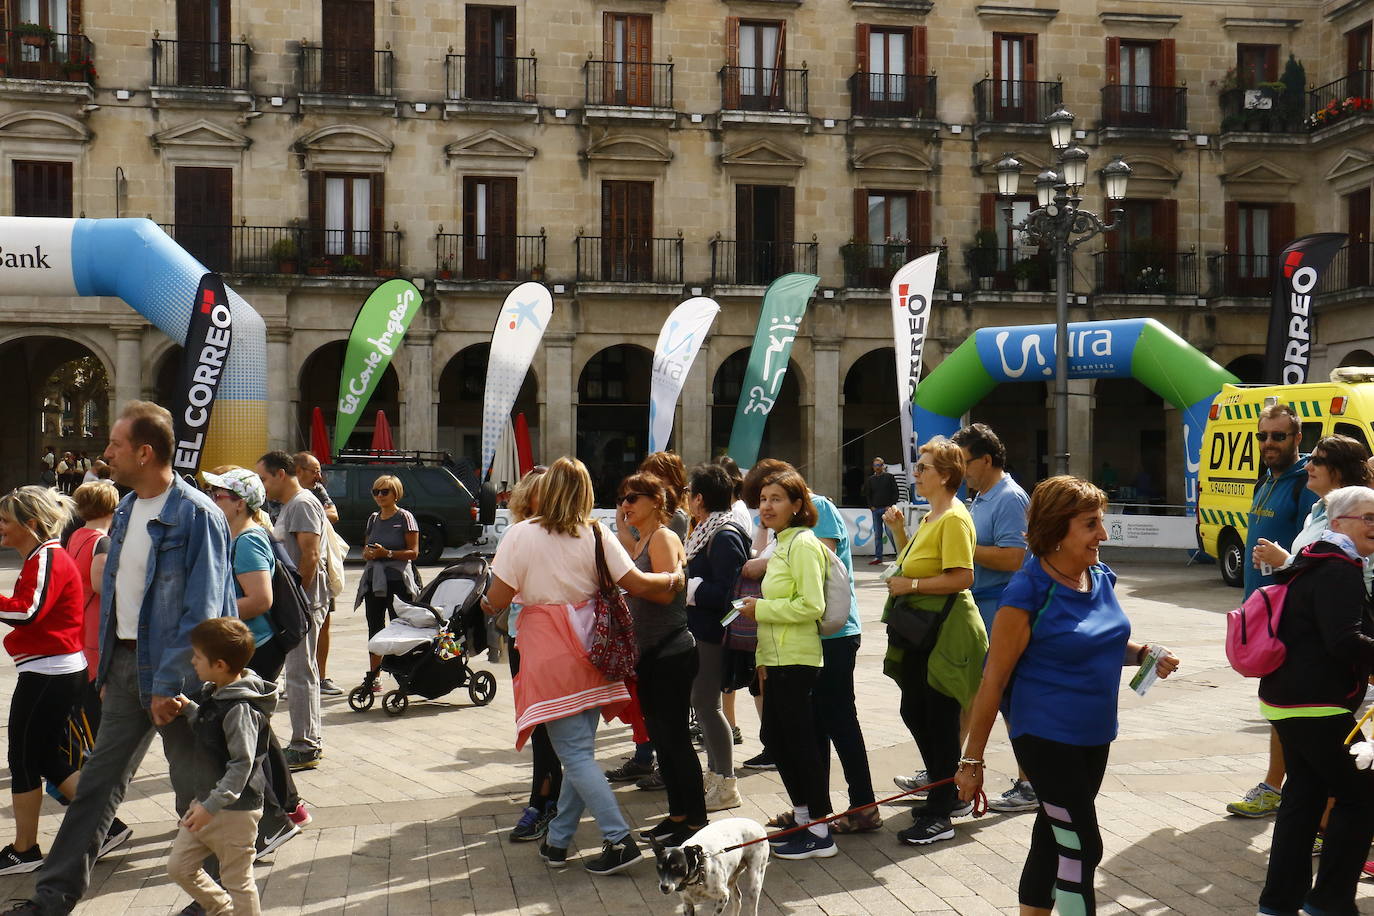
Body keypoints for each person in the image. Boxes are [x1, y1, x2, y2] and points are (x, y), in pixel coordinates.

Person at [7, 400, 234, 916]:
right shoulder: (129, 508)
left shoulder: (197, 514)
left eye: (114, 444)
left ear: (145, 452)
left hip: (179, 677)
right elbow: (115, 597)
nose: (105, 452)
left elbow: (206, 609)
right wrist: (107, 667)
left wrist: (170, 683)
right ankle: (51, 900)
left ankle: (216, 900)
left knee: (196, 792)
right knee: (95, 788)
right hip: (126, 666)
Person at [957, 475, 1180, 915]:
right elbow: (993, 680)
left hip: (1094, 736)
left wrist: (1143, 653)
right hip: (1045, 738)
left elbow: (1100, 642)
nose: (1103, 533)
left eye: (1102, 521)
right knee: (1082, 845)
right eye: (1091, 524)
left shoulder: (1098, 576)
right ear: (1058, 530)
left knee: (1052, 837)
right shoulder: (1026, 592)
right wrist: (972, 760)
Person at [482, 457, 684, 876]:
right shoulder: (596, 533)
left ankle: (618, 838)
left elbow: (498, 597)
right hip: (594, 648)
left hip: (548, 651)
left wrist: (481, 602)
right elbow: (638, 584)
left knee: (573, 754)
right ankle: (558, 841)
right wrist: (674, 578)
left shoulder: (521, 534)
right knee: (580, 753)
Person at [1256, 486, 1374, 916]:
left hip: (1284, 699)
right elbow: (1344, 641)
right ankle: (1329, 902)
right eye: (1368, 517)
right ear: (1339, 523)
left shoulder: (1310, 559)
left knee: (1304, 794)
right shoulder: (1339, 567)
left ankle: (1278, 903)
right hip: (1318, 703)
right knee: (1360, 796)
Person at [881, 438, 988, 847]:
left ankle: (942, 810)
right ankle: (944, 791)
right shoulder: (932, 516)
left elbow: (963, 577)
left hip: (946, 632)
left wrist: (911, 584)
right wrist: (897, 532)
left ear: (945, 475)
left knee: (939, 716)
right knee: (916, 709)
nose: (916, 473)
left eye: (924, 467)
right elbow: (911, 564)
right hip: (922, 629)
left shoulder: (954, 518)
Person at [201, 466, 309, 855]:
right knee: (258, 729)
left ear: (240, 503)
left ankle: (275, 821)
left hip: (258, 646)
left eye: (220, 495)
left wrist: (212, 614)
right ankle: (291, 807)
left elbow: (260, 600)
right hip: (252, 643)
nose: (213, 500)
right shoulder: (235, 534)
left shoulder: (246, 540)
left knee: (246, 734)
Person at [735, 467, 835, 860]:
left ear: (797, 505)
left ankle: (820, 830)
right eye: (762, 499)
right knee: (778, 739)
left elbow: (812, 605)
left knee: (799, 743)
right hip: (775, 659)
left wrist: (761, 608)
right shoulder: (782, 544)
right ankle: (803, 817)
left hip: (798, 658)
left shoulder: (804, 544)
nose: (766, 506)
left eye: (776, 499)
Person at [1229, 403, 1320, 819]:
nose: (1268, 443)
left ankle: (1277, 787)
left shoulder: (1305, 483)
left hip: (1288, 610)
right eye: (1263, 435)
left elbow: (1308, 551)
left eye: (1278, 436)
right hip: (1260, 609)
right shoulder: (1265, 480)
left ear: (1297, 438)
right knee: (1275, 703)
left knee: (1282, 704)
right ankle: (1287, 786)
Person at [0, 488, 91, 874]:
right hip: (51, 669)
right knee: (45, 757)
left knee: (23, 758)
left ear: (31, 524)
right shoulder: (44, 556)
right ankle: (104, 826)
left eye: (6, 520)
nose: (0, 527)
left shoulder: (48, 557)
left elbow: (28, 613)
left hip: (51, 672)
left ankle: (25, 849)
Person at [617, 471, 706, 846]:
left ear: (656, 501)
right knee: (662, 740)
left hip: (671, 651)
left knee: (675, 741)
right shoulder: (642, 541)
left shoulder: (664, 536)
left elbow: (668, 592)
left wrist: (631, 581)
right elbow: (627, 559)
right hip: (652, 655)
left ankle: (695, 821)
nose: (625, 504)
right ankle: (677, 815)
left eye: (634, 498)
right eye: (623, 497)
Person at [168, 618, 275, 916]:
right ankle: (222, 910)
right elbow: (212, 730)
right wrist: (191, 709)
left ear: (219, 664)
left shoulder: (240, 708)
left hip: (234, 811)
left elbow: (242, 764)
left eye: (197, 657)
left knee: (237, 880)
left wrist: (210, 806)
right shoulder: (217, 693)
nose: (193, 661)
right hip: (206, 801)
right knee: (179, 867)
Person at [955, 422, 1033, 814]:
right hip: (984, 606)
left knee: (1008, 697)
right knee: (975, 692)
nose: (962, 470)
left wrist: (966, 546)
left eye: (966, 462)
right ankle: (950, 769)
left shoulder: (1009, 498)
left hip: (1002, 609)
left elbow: (1015, 558)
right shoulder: (983, 496)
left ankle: (1029, 782)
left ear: (987, 459)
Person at [256, 450, 328, 772]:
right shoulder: (292, 505)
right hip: (301, 599)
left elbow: (310, 556)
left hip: (304, 601)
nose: (262, 485)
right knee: (299, 672)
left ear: (281, 474)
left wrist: (297, 601)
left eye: (264, 478)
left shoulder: (302, 503)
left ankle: (306, 745)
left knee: (301, 673)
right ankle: (306, 741)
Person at [683, 463, 748, 813]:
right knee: (704, 706)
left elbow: (732, 594)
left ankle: (725, 782)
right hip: (701, 632)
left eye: (689, 493)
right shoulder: (706, 530)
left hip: (714, 635)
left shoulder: (724, 535)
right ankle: (715, 775)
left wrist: (692, 589)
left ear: (700, 499)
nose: (687, 501)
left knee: (708, 707)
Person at [502, 468, 562, 844]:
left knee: (547, 729)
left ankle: (544, 803)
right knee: (539, 726)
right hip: (521, 636)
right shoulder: (520, 534)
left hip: (552, 643)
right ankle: (547, 798)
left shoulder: (572, 534)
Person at [352, 474, 419, 693]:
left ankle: (404, 675)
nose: (379, 496)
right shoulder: (373, 518)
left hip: (398, 582)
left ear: (395, 494)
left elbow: (414, 552)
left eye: (384, 491)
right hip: (375, 582)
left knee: (401, 628)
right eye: (376, 492)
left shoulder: (405, 517)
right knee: (375, 628)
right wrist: (369, 554)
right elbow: (366, 547)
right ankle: (374, 676)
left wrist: (387, 553)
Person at [293, 453, 342, 697]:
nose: (319, 476)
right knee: (290, 625)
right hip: (290, 565)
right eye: (314, 471)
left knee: (323, 624)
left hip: (319, 565)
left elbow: (334, 514)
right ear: (298, 470)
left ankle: (321, 677)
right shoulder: (282, 494)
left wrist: (311, 516)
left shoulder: (317, 490)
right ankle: (290, 678)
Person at [861, 457, 900, 565]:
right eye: (875, 465)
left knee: (890, 532)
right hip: (876, 509)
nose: (877, 468)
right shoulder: (871, 479)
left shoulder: (889, 477)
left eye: (879, 465)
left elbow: (895, 492)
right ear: (873, 467)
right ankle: (878, 557)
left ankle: (899, 554)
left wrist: (891, 505)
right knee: (877, 534)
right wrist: (871, 506)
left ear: (883, 466)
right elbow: (868, 494)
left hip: (887, 509)